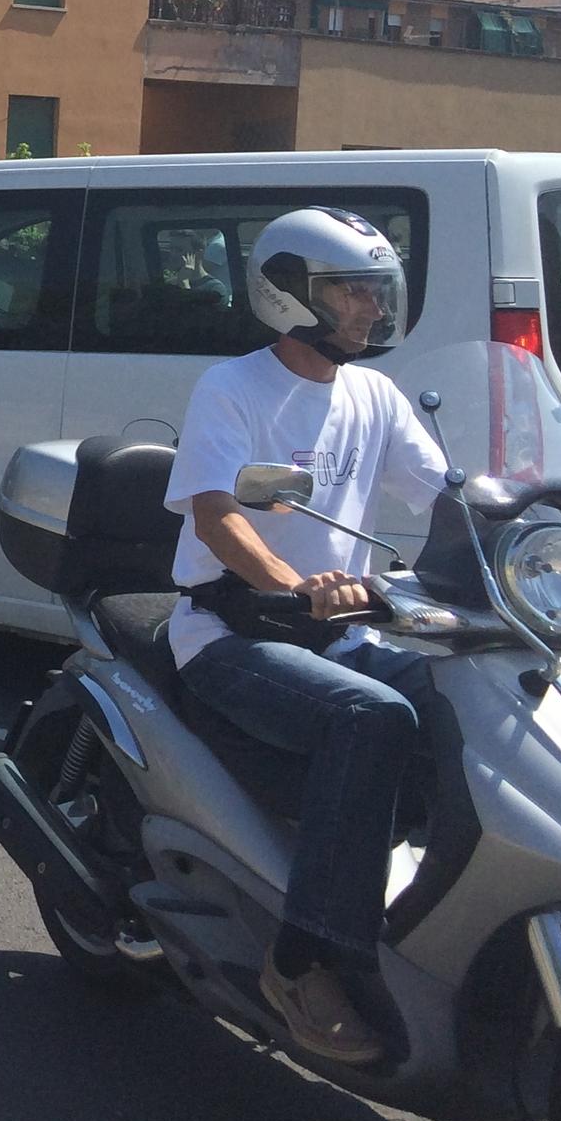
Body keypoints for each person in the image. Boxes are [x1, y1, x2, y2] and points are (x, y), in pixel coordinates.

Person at [162, 207, 448, 1068]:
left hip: (339, 627)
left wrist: (543, 531)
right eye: (349, 291)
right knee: (373, 718)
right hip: (227, 629)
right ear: (288, 295)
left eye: (374, 290)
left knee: (466, 696)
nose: (368, 308)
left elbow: (448, 494)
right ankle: (305, 959)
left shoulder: (375, 394)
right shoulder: (233, 388)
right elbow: (216, 516)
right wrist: (294, 588)